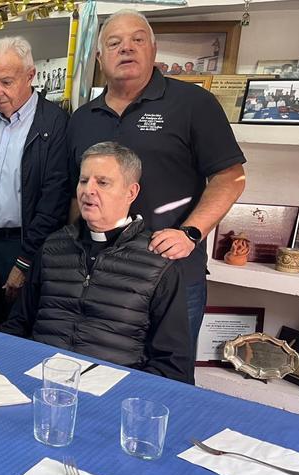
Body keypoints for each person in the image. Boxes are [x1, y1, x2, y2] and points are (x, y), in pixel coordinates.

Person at [66, 9, 246, 344]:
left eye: (138, 39)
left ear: (154, 49)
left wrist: (190, 233)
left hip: (171, 275)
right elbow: (76, 195)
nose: (127, 48)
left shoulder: (194, 104)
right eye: (115, 42)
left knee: (168, 382)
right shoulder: (81, 118)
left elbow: (231, 177)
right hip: (100, 278)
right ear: (100, 57)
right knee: (101, 372)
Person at [3, 142, 194, 384]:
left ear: (131, 193)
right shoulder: (53, 248)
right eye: (84, 181)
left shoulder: (158, 262)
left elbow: (172, 363)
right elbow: (18, 324)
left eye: (102, 183)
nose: (88, 190)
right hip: (39, 378)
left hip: (115, 391)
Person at [0, 36, 70, 326]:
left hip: (21, 245)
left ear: (30, 75)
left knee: (16, 329)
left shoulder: (54, 123)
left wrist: (25, 261)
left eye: (6, 82)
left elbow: (53, 200)